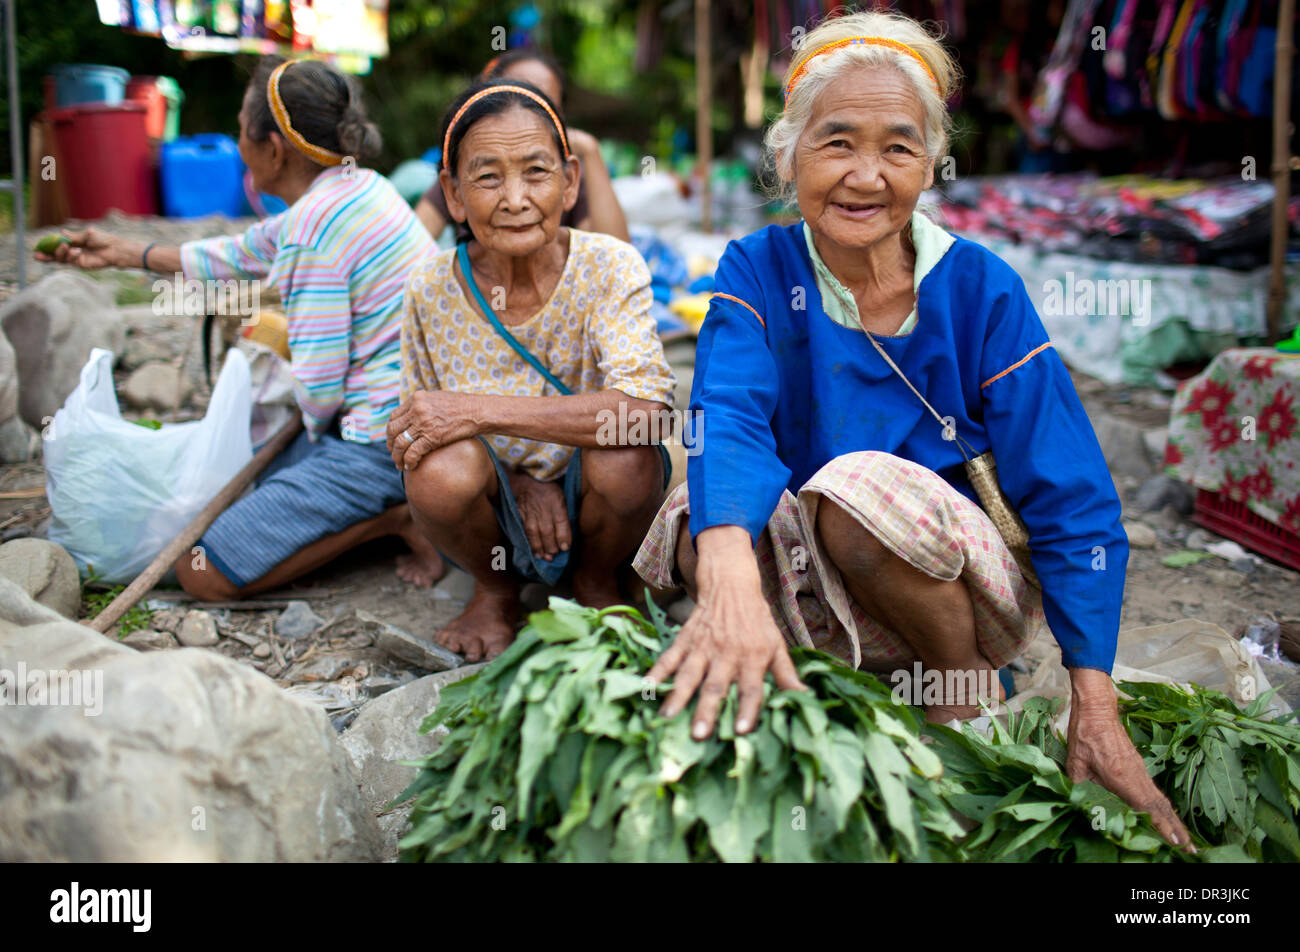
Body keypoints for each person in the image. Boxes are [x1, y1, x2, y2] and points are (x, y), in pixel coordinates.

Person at [632, 10, 1192, 849]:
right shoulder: (759, 267)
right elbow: (730, 417)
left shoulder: (979, 288)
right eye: (836, 143)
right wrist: (728, 575)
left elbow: (1071, 492)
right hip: (816, 571)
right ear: (788, 158)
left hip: (950, 587)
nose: (866, 176)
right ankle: (798, 673)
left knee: (854, 490)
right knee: (693, 525)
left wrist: (1096, 702)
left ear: (933, 164)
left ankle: (956, 684)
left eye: (897, 147)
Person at [37, 56, 446, 597]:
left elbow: (320, 395)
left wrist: (306, 438)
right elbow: (242, 251)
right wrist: (128, 252)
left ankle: (395, 519)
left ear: (273, 147)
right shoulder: (360, 187)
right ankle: (383, 508)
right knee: (255, 474)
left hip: (383, 442)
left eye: (239, 129)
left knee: (202, 571)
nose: (237, 144)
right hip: (417, 423)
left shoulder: (310, 232)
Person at [392, 78, 675, 663]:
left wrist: (479, 411)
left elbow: (646, 413)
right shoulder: (429, 287)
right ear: (452, 193)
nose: (515, 198)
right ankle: (494, 591)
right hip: (496, 498)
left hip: (591, 493)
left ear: (570, 182)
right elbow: (418, 428)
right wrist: (519, 480)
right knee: (437, 469)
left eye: (536, 172)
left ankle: (596, 582)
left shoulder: (608, 266)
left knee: (625, 452)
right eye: (488, 176)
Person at [413, 50, 630, 243]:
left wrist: (590, 151)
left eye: (541, 105)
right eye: (490, 177)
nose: (515, 202)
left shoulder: (567, 175)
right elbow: (410, 250)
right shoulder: (468, 172)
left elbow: (614, 260)